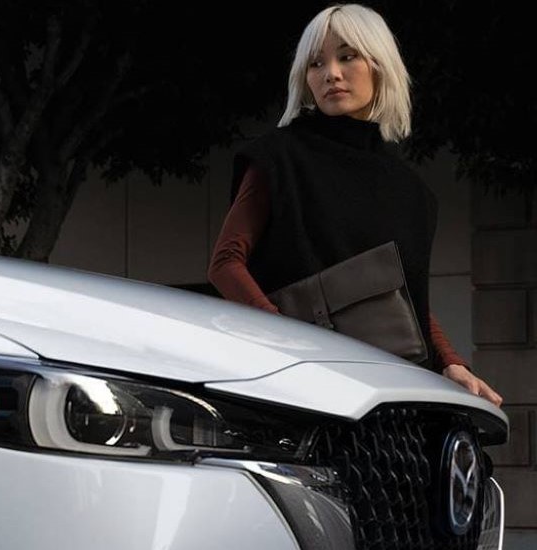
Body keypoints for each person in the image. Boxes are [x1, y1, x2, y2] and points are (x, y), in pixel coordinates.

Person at [208, 3, 503, 406]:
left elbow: (408, 299)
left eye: (347, 57)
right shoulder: (278, 156)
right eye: (316, 63)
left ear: (380, 65)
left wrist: (452, 362)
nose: (330, 73)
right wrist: (289, 346)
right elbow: (225, 263)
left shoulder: (411, 193)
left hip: (382, 390)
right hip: (290, 385)